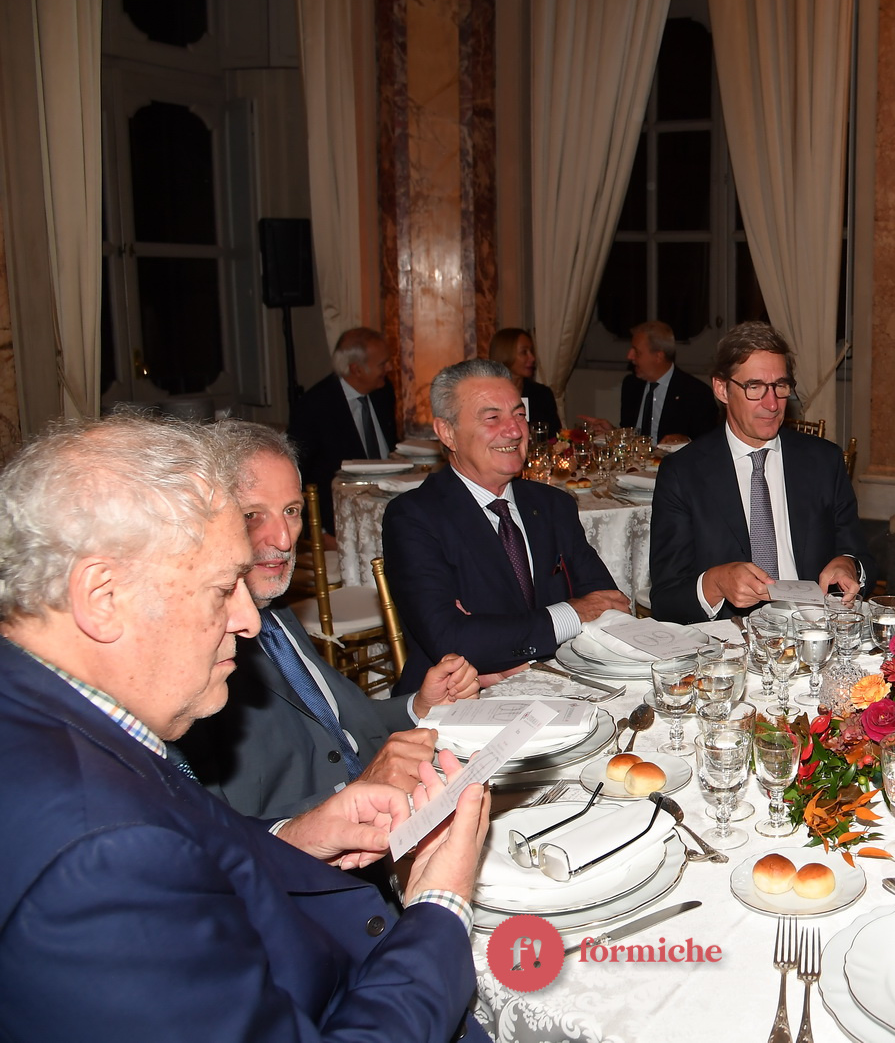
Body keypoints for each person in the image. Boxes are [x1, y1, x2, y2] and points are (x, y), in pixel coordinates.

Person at [0, 413, 489, 1040]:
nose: (250, 620)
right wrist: (440, 908)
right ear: (103, 596)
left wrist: (295, 836)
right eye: (221, 588)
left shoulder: (51, 706)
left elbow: (183, 832)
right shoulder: (100, 858)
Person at [177, 421, 482, 819]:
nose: (284, 539)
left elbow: (341, 722)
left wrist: (420, 707)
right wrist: (356, 791)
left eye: (291, 511)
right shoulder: (196, 656)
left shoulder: (275, 611)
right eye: (253, 515)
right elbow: (222, 830)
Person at [383, 359, 628, 691]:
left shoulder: (553, 505)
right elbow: (452, 640)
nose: (514, 431)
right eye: (492, 418)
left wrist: (493, 641)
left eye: (519, 414)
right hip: (461, 701)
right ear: (447, 432)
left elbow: (610, 606)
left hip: (564, 685)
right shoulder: (414, 518)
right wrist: (571, 614)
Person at [650, 321, 874, 623]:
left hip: (813, 629)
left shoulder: (823, 461)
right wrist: (715, 583)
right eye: (754, 387)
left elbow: (861, 556)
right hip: (730, 639)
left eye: (780, 386)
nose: (772, 404)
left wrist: (848, 564)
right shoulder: (683, 473)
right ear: (722, 389)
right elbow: (666, 600)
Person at [287, 326, 398, 534]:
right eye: (383, 364)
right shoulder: (314, 406)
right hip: (343, 516)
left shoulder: (383, 392)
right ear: (356, 369)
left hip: (390, 500)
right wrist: (318, 531)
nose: (390, 368)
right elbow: (298, 473)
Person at [580, 320, 720, 443]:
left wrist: (685, 441)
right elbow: (632, 438)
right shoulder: (631, 385)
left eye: (637, 352)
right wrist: (613, 433)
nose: (629, 356)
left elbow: (709, 445)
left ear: (658, 356)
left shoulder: (696, 393)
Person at [489, 326, 562, 433]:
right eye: (524, 352)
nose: (532, 358)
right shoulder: (487, 396)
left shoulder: (542, 394)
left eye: (531, 351)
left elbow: (555, 436)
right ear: (505, 354)